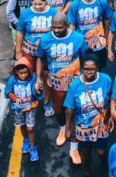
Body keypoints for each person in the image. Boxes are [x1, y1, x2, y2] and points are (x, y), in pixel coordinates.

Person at [35, 13, 86, 148]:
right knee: (58, 110)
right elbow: (40, 58)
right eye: (53, 28)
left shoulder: (78, 38)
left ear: (67, 25)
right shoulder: (45, 39)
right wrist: (39, 78)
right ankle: (63, 129)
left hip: (75, 82)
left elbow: (86, 59)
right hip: (56, 84)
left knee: (77, 109)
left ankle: (75, 134)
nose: (56, 31)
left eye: (59, 27)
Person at [64, 53, 113, 171]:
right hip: (83, 125)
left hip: (101, 123)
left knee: (101, 151)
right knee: (85, 152)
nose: (89, 72)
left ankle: (104, 165)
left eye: (92, 69)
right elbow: (69, 108)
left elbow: (112, 98)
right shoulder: (75, 85)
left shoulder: (106, 79)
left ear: (97, 68)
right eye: (86, 69)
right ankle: (87, 171)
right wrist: (68, 128)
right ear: (82, 68)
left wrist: (111, 116)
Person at [5, 58, 42, 162]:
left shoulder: (33, 78)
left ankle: (33, 147)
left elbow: (38, 93)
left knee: (30, 128)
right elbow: (8, 91)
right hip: (18, 109)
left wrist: (38, 90)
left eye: (25, 72)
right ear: (16, 72)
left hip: (30, 107)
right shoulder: (12, 80)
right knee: (22, 126)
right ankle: (26, 140)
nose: (24, 75)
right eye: (21, 73)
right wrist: (14, 98)